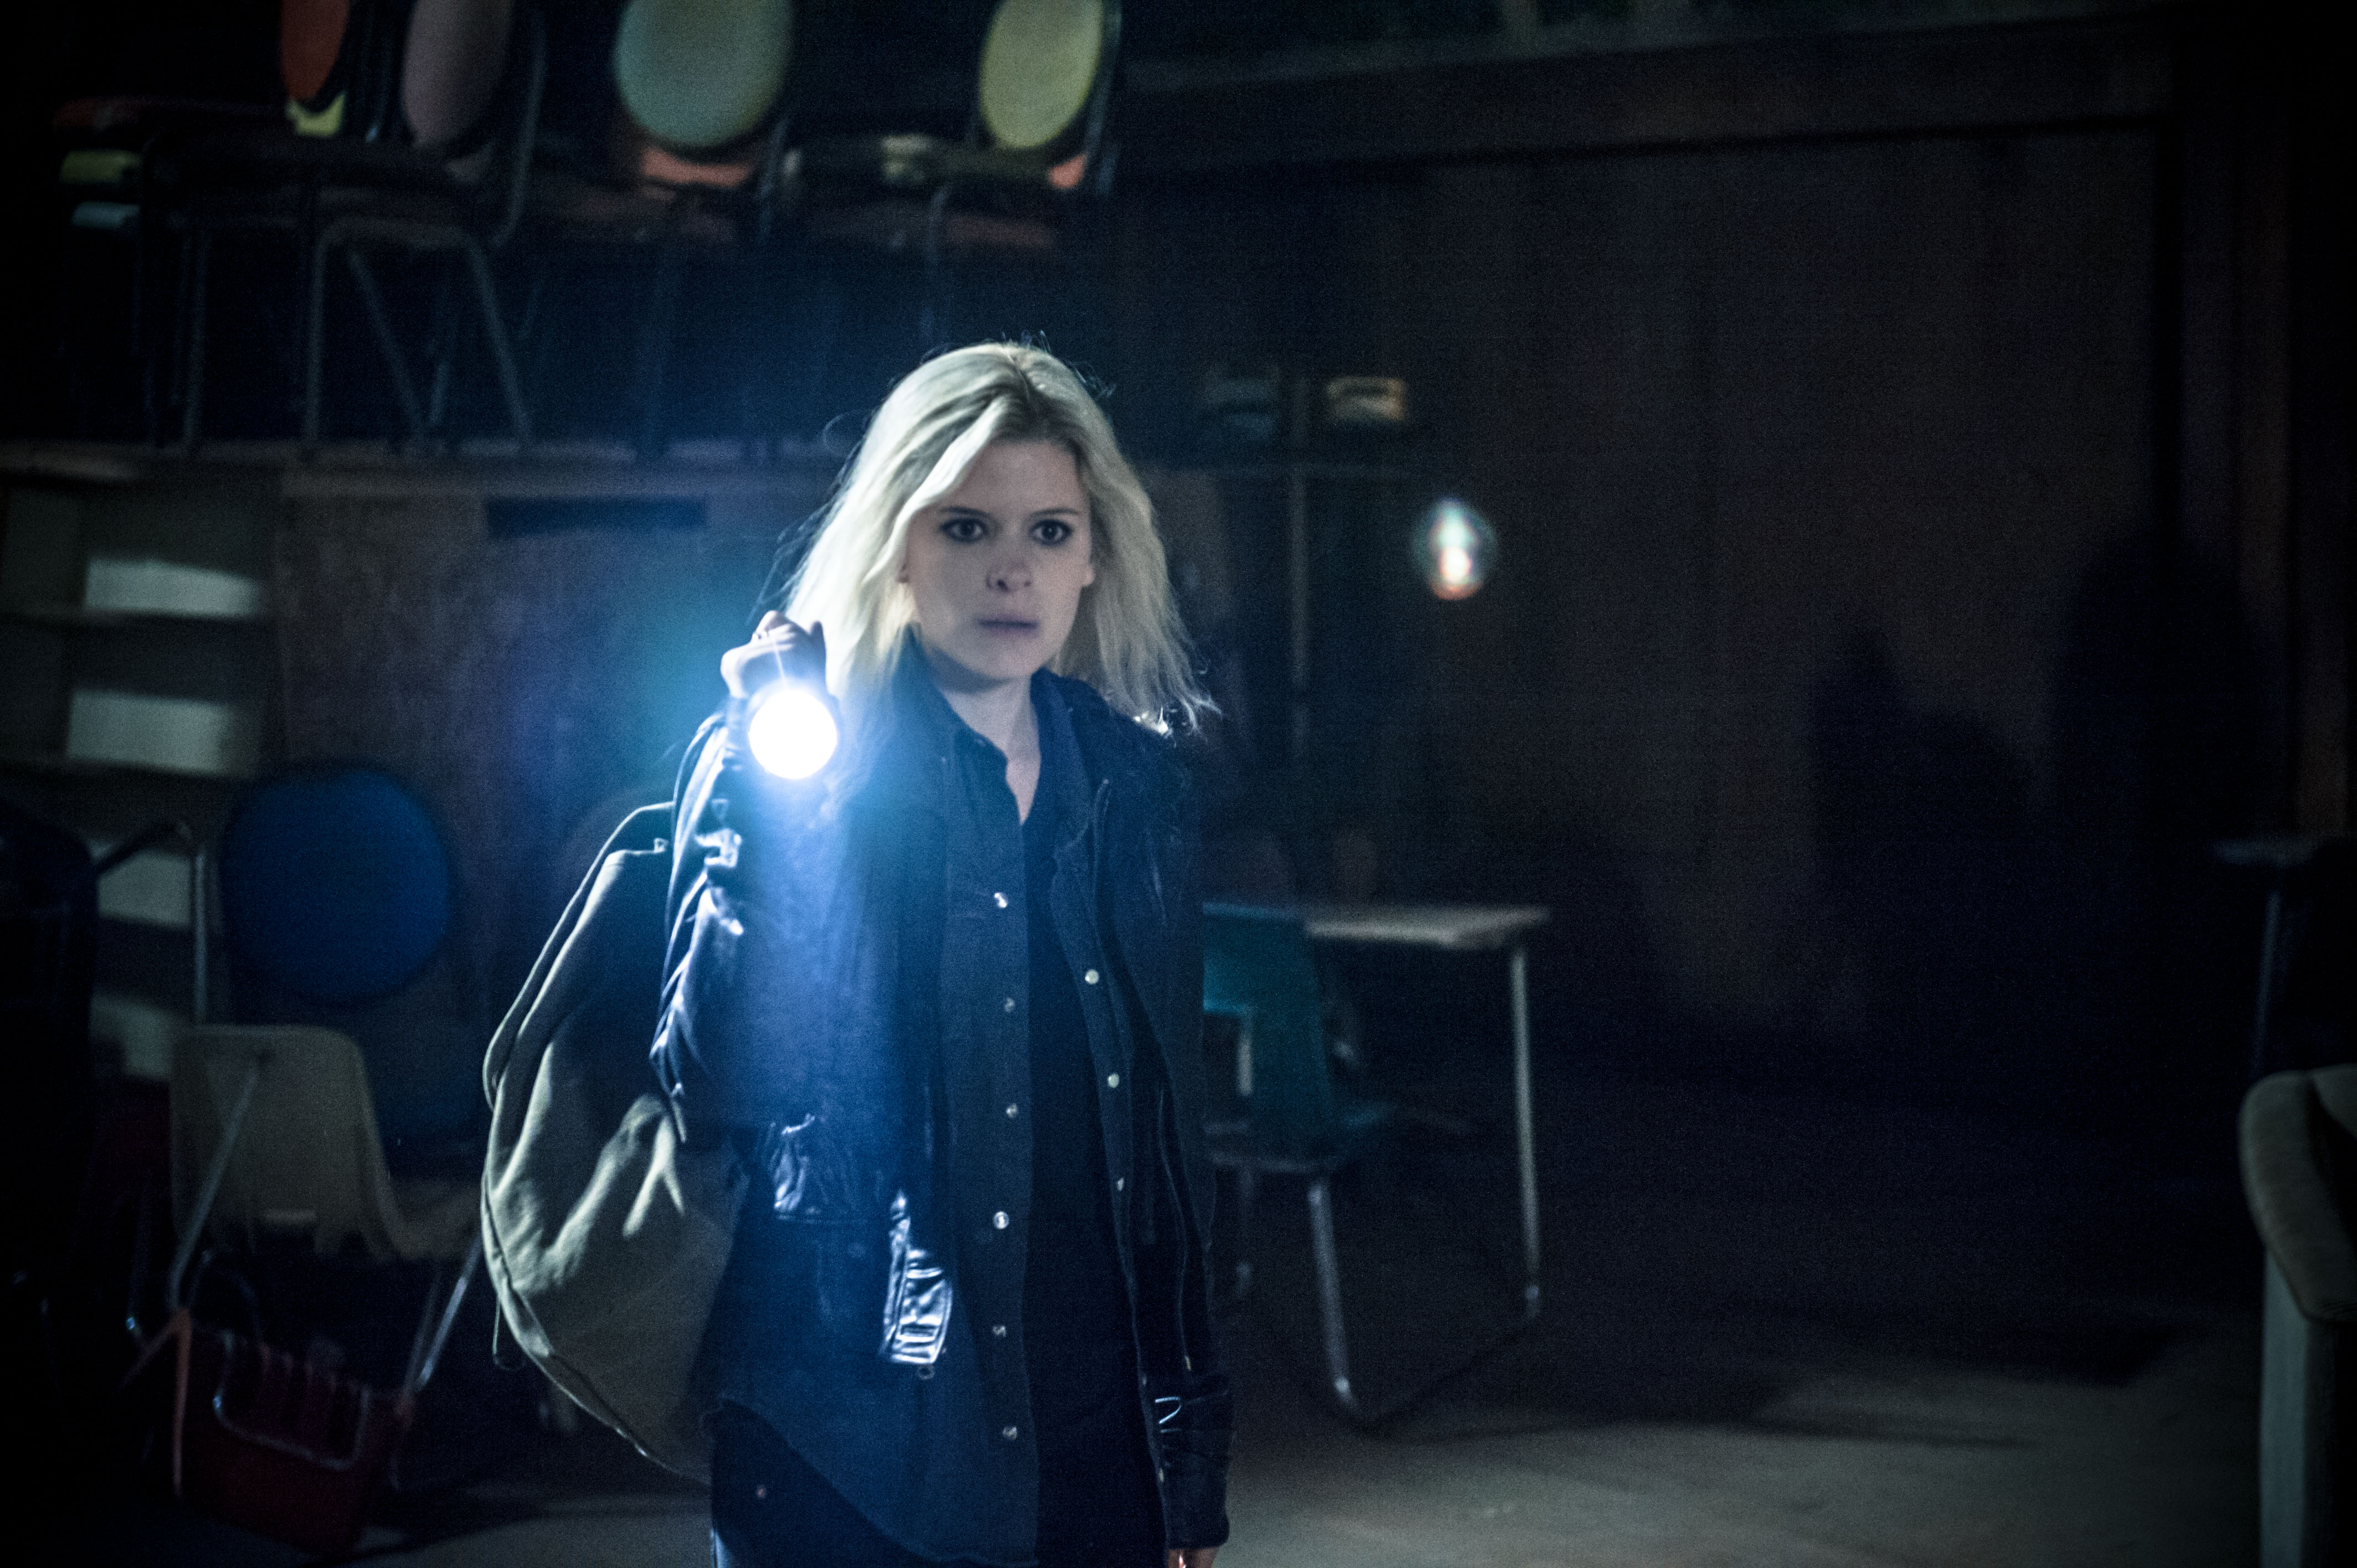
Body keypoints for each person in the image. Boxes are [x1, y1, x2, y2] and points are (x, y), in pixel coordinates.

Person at [653, 343, 1231, 1568]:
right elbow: (724, 1081)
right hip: (846, 1436)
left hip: (1091, 1432)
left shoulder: (1131, 790)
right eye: (966, 528)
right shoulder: (788, 762)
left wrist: (1185, 1455)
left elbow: (1166, 1152)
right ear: (898, 548)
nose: (1012, 568)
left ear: (1093, 558)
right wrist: (775, 804)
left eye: (1050, 532)